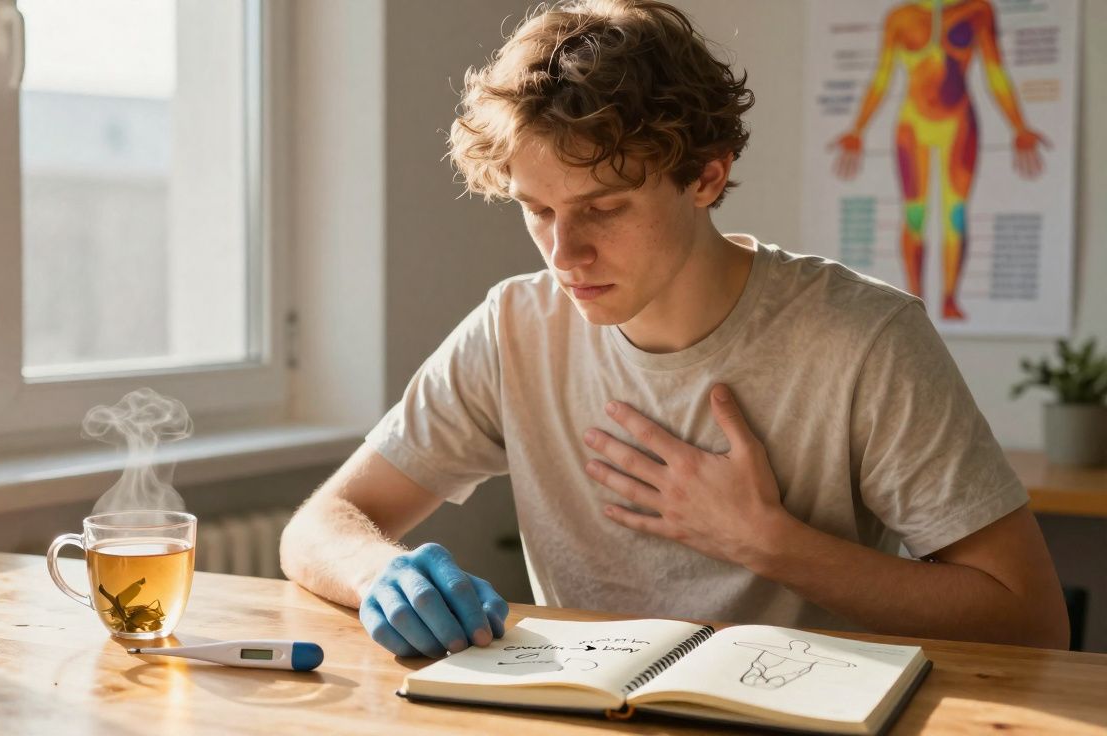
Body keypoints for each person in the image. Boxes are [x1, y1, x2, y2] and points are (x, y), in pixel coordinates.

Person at [279, 0, 1069, 658]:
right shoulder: (515, 327)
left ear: (706, 176)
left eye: (603, 208)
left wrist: (768, 542)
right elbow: (320, 526)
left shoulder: (866, 338)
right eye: (538, 209)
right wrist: (381, 573)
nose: (564, 253)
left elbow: (1031, 623)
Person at [830, 0, 1049, 320]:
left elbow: (995, 71)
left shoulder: (977, 11)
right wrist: (858, 129)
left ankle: (949, 298)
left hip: (959, 122)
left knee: (955, 215)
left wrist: (1019, 125)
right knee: (914, 214)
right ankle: (913, 298)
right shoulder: (900, 18)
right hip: (913, 124)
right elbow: (882, 77)